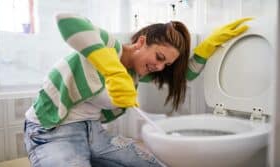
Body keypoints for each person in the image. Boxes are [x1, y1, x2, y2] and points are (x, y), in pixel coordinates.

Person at [23, 13, 251, 167]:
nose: (160, 67)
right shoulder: (108, 45)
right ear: (141, 42)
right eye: (159, 57)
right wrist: (114, 71)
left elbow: (186, 75)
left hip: (94, 132)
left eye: (166, 64)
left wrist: (208, 46)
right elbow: (66, 20)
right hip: (53, 129)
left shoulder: (137, 72)